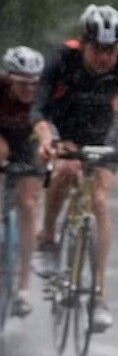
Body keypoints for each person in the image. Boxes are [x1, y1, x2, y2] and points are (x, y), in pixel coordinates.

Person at [31, 5, 118, 333]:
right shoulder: (62, 60)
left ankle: (99, 294)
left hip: (102, 132)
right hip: (64, 130)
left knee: (99, 202)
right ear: (83, 44)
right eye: (98, 49)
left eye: (111, 50)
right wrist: (48, 139)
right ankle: (46, 237)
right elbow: (39, 109)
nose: (104, 58)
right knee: (66, 171)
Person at [0, 47, 46, 319]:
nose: (29, 89)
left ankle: (23, 287)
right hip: (3, 141)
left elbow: (49, 128)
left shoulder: (43, 97)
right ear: (9, 79)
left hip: (27, 146)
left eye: (34, 84)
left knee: (28, 204)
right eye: (22, 84)